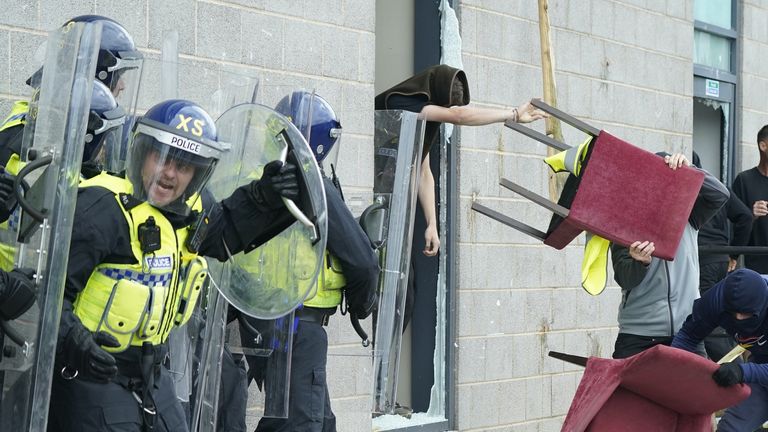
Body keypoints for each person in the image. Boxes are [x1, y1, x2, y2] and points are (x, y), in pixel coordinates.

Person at [46, 99, 300, 432]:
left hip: (153, 376)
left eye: (183, 166)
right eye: (161, 158)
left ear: (196, 175)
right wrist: (72, 340)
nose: (169, 173)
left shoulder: (190, 211)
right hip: (89, 374)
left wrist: (265, 194)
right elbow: (45, 291)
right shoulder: (103, 208)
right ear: (142, 154)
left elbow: (226, 229)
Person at [242, 91, 379, 432]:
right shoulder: (310, 182)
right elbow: (361, 260)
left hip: (262, 322)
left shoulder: (261, 181)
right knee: (299, 423)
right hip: (299, 325)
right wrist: (364, 305)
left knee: (314, 421)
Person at [375, 64, 546, 331]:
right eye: (447, 106)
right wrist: (512, 114)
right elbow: (458, 116)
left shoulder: (423, 121)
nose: (447, 113)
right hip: (373, 210)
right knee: (384, 293)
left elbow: (423, 171)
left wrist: (431, 223)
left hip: (393, 215)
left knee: (404, 295)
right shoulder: (405, 102)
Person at [610, 152, 729, 359]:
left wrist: (689, 170)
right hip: (639, 335)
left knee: (697, 391)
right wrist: (640, 264)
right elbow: (624, 279)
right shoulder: (626, 223)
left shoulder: (689, 214)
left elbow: (720, 194)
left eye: (668, 179)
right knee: (627, 392)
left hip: (688, 331)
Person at [671, 268, 768, 431]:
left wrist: (743, 372)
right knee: (730, 428)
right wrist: (672, 372)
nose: (738, 319)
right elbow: (688, 336)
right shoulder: (717, 299)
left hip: (759, 367)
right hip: (761, 362)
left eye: (746, 314)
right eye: (733, 313)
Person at [692, 151, 752, 362]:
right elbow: (745, 216)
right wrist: (733, 254)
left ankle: (735, 371)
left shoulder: (688, 185)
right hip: (721, 260)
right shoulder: (715, 186)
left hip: (704, 260)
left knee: (709, 322)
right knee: (721, 317)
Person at [732, 124, 768, 274]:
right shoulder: (744, 180)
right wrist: (751, 215)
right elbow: (733, 227)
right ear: (763, 145)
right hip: (756, 268)